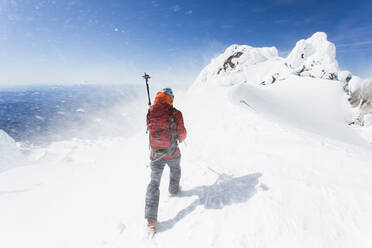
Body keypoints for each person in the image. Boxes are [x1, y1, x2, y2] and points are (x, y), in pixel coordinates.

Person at [145, 88, 187, 230]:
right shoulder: (175, 113)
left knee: (154, 182)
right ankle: (173, 190)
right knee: (175, 168)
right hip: (172, 151)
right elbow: (182, 134)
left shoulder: (151, 111)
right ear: (171, 98)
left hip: (155, 153)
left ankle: (151, 218)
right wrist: (178, 138)